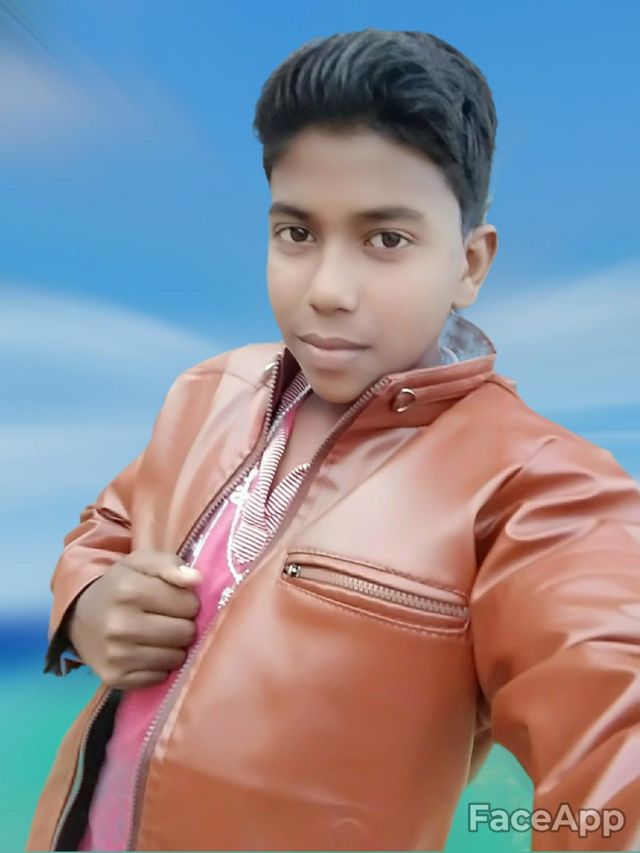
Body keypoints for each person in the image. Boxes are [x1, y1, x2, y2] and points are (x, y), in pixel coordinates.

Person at [27, 28, 640, 852]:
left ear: (470, 263)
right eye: (297, 234)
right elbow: (105, 527)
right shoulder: (210, 390)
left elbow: (614, 738)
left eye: (386, 239)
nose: (327, 290)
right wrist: (90, 603)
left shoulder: (534, 483)